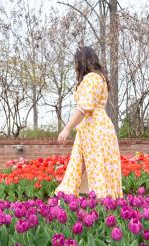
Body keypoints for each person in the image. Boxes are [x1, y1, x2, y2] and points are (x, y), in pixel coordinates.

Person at [55, 46, 123, 199]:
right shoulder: (100, 78)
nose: (75, 66)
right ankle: (71, 201)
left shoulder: (92, 78)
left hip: (95, 129)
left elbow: (84, 108)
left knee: (96, 168)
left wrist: (66, 129)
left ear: (82, 62)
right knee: (85, 167)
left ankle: (100, 206)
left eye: (76, 62)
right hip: (94, 128)